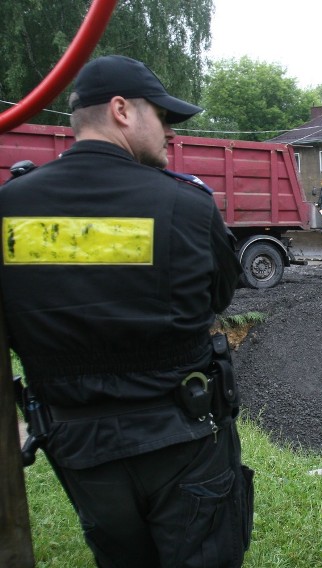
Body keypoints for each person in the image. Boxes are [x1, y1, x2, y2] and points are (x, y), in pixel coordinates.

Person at [0, 55, 253, 567]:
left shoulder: (10, 208)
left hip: (79, 446)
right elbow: (219, 296)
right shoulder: (187, 205)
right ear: (121, 110)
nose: (169, 133)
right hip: (183, 438)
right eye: (161, 117)